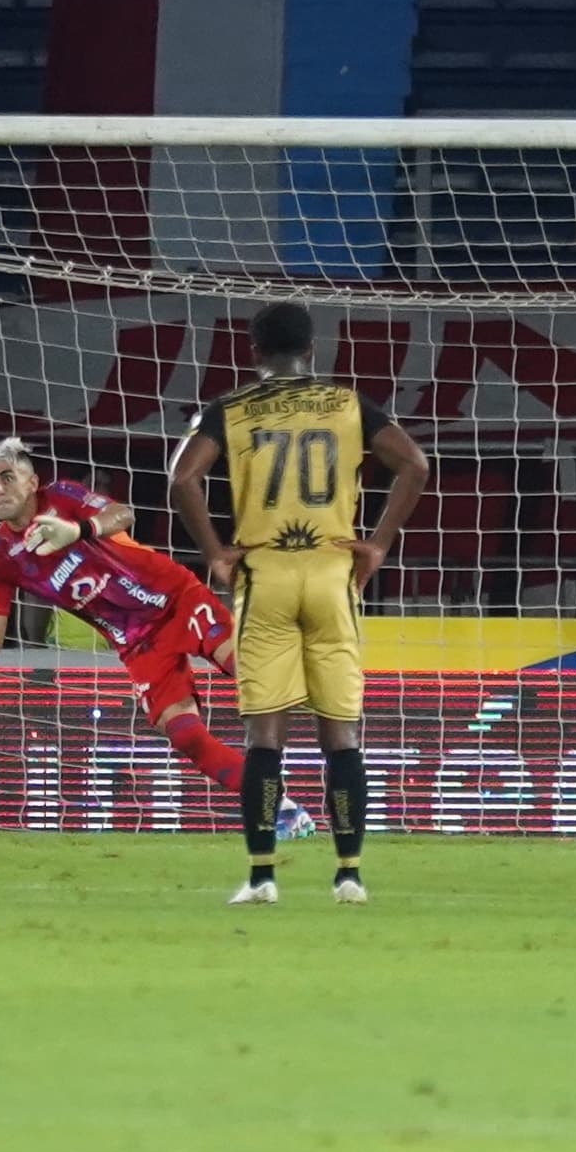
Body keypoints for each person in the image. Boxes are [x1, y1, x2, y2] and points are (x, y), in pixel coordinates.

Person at [0, 439, 315, 839]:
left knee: (251, 674)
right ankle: (279, 807)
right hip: (137, 643)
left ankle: (331, 709)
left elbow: (122, 514)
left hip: (175, 598)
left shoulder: (63, 498)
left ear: (33, 481)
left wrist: (80, 530)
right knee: (185, 735)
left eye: (7, 477)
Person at [170, 302, 431, 906]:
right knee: (341, 735)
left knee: (265, 735)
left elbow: (183, 479)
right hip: (331, 574)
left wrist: (215, 551)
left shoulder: (230, 410)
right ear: (311, 351)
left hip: (267, 577)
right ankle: (349, 875)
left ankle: (263, 876)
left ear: (254, 353)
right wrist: (379, 544)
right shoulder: (347, 404)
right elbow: (414, 464)